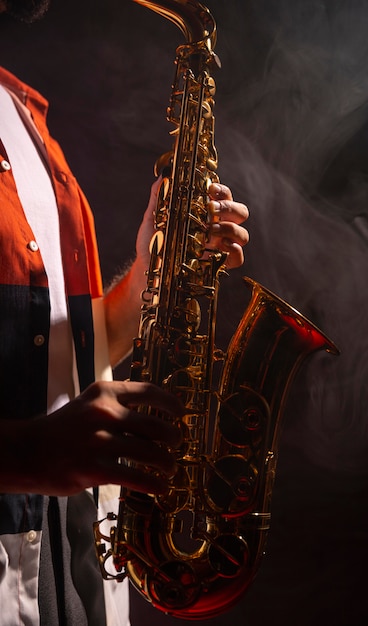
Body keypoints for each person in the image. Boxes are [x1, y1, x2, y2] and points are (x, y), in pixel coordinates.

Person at [0, 1, 249, 624]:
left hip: (63, 559)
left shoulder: (20, 117)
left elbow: (56, 360)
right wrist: (26, 455)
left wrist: (151, 274)